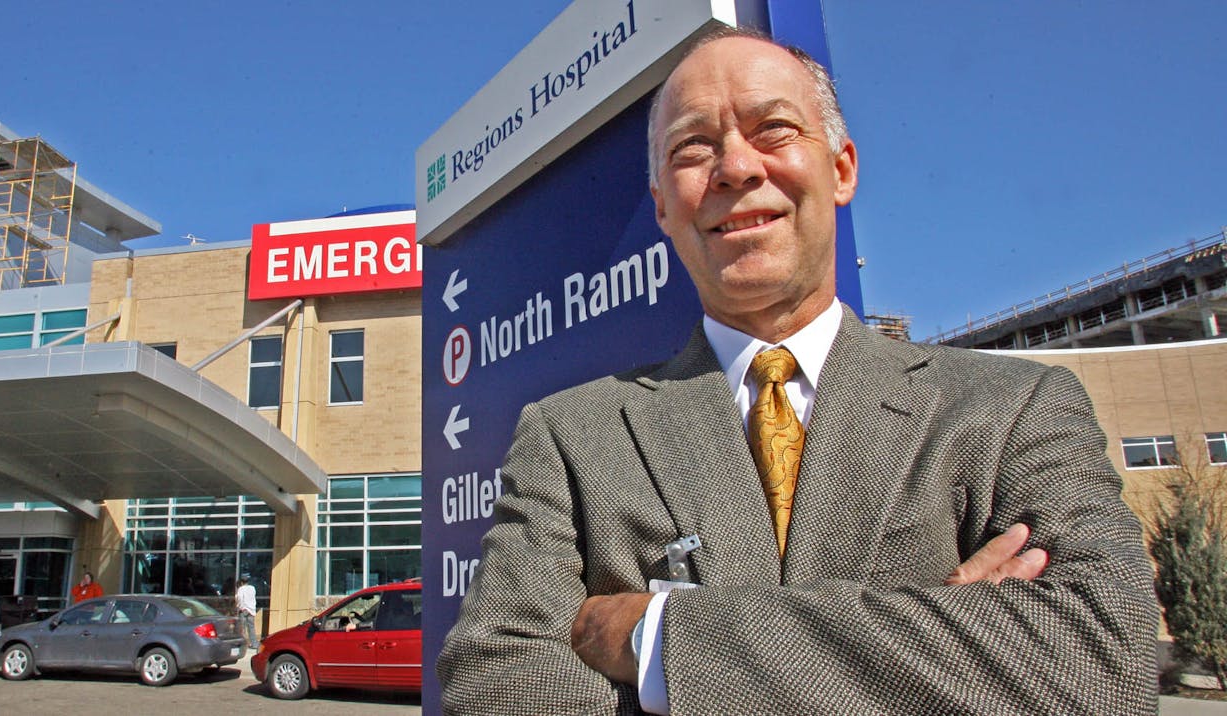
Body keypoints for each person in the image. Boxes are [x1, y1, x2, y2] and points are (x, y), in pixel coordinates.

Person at [438, 26, 1158, 715]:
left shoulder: (1013, 409)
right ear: (661, 206)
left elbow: (1103, 662)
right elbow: (496, 687)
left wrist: (652, 638)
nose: (737, 168)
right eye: (692, 148)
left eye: (773, 130)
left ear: (841, 168)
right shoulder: (570, 437)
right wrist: (943, 641)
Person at [234, 578, 258, 644]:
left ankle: (242, 643)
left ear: (241, 582)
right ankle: (254, 643)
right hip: (252, 610)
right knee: (251, 628)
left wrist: (240, 607)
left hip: (244, 609)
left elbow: (240, 598)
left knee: (242, 628)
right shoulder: (252, 588)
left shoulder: (241, 589)